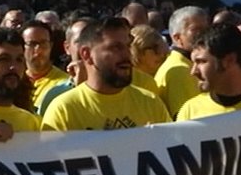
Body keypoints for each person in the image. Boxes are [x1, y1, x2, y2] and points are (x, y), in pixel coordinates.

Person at [42, 17, 170, 131]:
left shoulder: (151, 103)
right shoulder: (64, 111)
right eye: (115, 47)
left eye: (128, 46)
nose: (127, 55)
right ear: (86, 54)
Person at [155, 6, 208, 118]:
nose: (205, 35)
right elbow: (191, 120)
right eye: (197, 31)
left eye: (207, 29)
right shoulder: (180, 71)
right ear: (177, 38)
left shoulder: (182, 64)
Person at [22, 20, 68, 111]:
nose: (38, 50)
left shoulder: (64, 84)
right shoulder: (15, 81)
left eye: (43, 43)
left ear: (51, 46)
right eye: (32, 44)